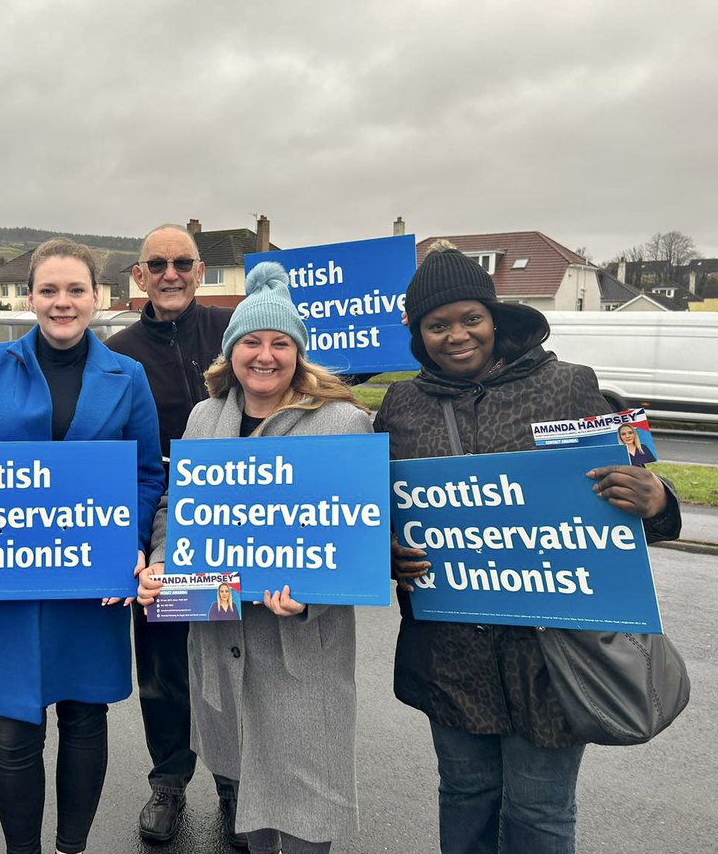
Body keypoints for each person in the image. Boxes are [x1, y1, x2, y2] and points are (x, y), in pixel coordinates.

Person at [374, 241, 682, 854]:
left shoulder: (569, 386)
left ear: (495, 317)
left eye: (470, 318)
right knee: (464, 794)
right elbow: (376, 512)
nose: (457, 335)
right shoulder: (401, 406)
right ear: (419, 333)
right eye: (438, 324)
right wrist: (384, 550)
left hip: (550, 654)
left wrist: (656, 501)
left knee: (539, 809)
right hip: (451, 651)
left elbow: (623, 515)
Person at [0, 237, 165, 854]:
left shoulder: (127, 375)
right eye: (49, 290)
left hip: (88, 579)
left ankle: (72, 848)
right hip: (1, 577)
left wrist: (129, 545)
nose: (63, 302)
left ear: (98, 296)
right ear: (30, 297)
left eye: (75, 289)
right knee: (10, 731)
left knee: (85, 718)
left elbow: (144, 473)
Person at [138, 262, 373, 854]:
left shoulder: (343, 422)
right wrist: (164, 565)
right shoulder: (204, 417)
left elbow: (359, 532)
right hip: (221, 637)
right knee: (248, 805)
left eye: (279, 343)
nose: (264, 356)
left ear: (298, 354)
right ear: (231, 350)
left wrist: (312, 594)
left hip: (298, 645)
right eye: (251, 342)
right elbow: (176, 505)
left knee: (305, 808)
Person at [105, 224, 240, 845]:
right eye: (156, 263)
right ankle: (169, 779)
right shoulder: (120, 350)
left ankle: (235, 782)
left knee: (230, 656)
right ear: (139, 275)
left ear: (200, 268)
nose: (170, 273)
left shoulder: (231, 333)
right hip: (158, 527)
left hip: (236, 524)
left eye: (181, 262)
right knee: (162, 663)